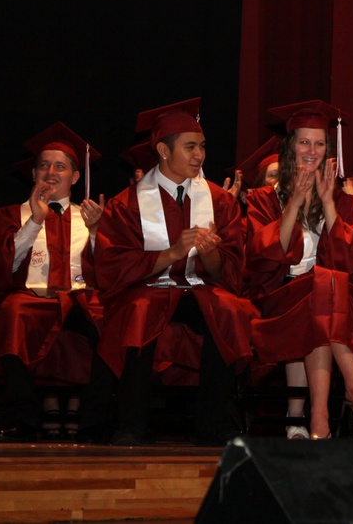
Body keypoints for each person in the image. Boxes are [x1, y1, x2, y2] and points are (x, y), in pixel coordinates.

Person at [95, 99, 257, 445]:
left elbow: (226, 270)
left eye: (201, 147)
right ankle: (131, 423)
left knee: (229, 310)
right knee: (140, 311)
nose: (199, 155)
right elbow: (114, 267)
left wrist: (210, 254)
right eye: (190, 147)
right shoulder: (127, 203)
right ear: (163, 151)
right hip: (147, 289)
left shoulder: (219, 200)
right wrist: (173, 252)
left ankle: (214, 423)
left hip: (199, 288)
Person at [244, 101, 353, 440]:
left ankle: (307, 419)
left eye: (319, 143)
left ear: (328, 149)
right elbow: (266, 255)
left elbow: (348, 258)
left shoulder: (346, 201)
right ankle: (348, 391)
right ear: (290, 146)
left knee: (323, 290)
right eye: (304, 142)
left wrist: (327, 203)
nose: (312, 150)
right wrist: (293, 203)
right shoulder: (264, 199)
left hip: (324, 301)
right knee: (322, 291)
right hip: (276, 297)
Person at [0, 123, 108, 441]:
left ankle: (97, 422)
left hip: (81, 298)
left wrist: (95, 232)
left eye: (60, 166)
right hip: (32, 298)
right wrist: (35, 219)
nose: (51, 172)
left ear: (75, 177)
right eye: (44, 165)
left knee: (112, 320)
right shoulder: (9, 215)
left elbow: (111, 270)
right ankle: (21, 418)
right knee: (12, 312)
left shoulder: (90, 216)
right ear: (33, 173)